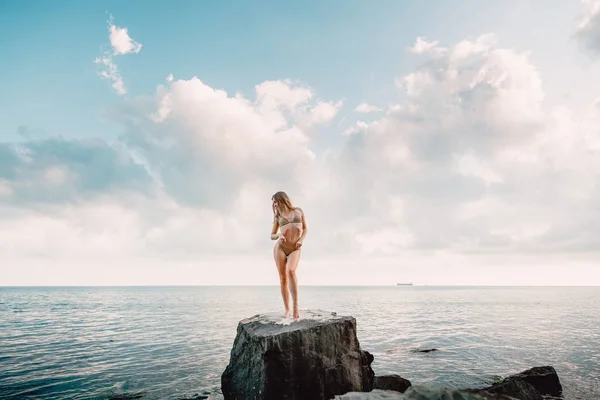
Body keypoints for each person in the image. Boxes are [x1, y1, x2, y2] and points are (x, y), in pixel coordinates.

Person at [270, 191, 307, 320]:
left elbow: (306, 229)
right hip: (280, 248)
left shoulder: (298, 211)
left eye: (275, 201)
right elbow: (272, 235)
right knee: (282, 278)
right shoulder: (278, 217)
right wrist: (279, 235)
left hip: (295, 248)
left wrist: (301, 240)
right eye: (273, 202)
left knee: (291, 271)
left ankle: (296, 308)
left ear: (282, 199)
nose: (274, 204)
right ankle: (287, 310)